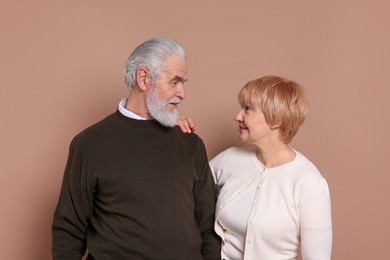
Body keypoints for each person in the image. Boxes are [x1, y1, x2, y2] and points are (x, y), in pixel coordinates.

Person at [52, 37, 221, 260]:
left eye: (184, 83)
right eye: (174, 82)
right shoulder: (89, 144)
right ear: (143, 79)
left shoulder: (190, 144)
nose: (182, 93)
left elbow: (208, 226)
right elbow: (68, 230)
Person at [180, 75, 332, 259]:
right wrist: (176, 136)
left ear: (276, 120)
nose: (237, 116)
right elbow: (180, 190)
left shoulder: (309, 182)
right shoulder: (228, 159)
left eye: (248, 109)